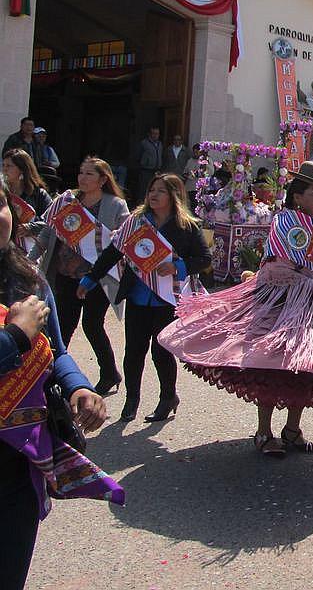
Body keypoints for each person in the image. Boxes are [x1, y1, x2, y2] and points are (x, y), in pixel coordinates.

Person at [159, 161, 313, 455]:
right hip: (279, 306)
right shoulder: (285, 222)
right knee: (271, 367)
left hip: (312, 309)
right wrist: (312, 285)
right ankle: (263, 431)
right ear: (297, 196)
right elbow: (276, 270)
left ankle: (292, 429)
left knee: (305, 368)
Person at [0, 176, 124, 590]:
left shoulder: (30, 283)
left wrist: (79, 387)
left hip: (19, 463)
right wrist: (15, 337)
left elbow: (54, 350)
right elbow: (22, 340)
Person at [77, 173, 211, 423]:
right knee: (134, 351)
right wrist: (91, 278)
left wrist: (177, 267)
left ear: (174, 196)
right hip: (138, 296)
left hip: (167, 299)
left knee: (162, 353)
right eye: (152, 189)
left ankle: (167, 397)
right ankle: (132, 400)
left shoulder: (187, 226)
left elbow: (204, 259)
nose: (154, 195)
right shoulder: (136, 222)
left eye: (160, 190)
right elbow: (112, 252)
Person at [31, 157, 129, 395]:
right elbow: (47, 231)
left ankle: (109, 373)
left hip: (98, 277)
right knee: (62, 326)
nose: (82, 178)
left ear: (103, 179)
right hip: (65, 274)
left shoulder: (116, 205)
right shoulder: (66, 201)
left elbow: (125, 237)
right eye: (81, 173)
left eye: (89, 174)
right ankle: (51, 375)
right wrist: (31, 258)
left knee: (92, 325)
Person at [2, 149, 52, 254]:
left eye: (9, 166)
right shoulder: (2, 193)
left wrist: (31, 227)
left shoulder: (39, 194)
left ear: (22, 169)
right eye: (3, 165)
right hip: (5, 248)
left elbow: (53, 222)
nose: (4, 169)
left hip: (31, 251)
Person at [137, 125, 162, 201]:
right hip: (146, 170)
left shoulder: (160, 144)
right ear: (150, 134)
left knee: (154, 189)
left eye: (157, 134)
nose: (155, 135)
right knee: (144, 190)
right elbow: (138, 155)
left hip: (156, 171)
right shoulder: (144, 143)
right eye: (153, 133)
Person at [182, 144, 203, 211]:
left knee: (195, 208)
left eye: (197, 152)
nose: (195, 154)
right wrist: (187, 174)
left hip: (197, 189)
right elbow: (185, 171)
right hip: (188, 188)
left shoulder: (204, 162)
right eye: (194, 152)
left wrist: (192, 174)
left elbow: (203, 173)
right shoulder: (190, 160)